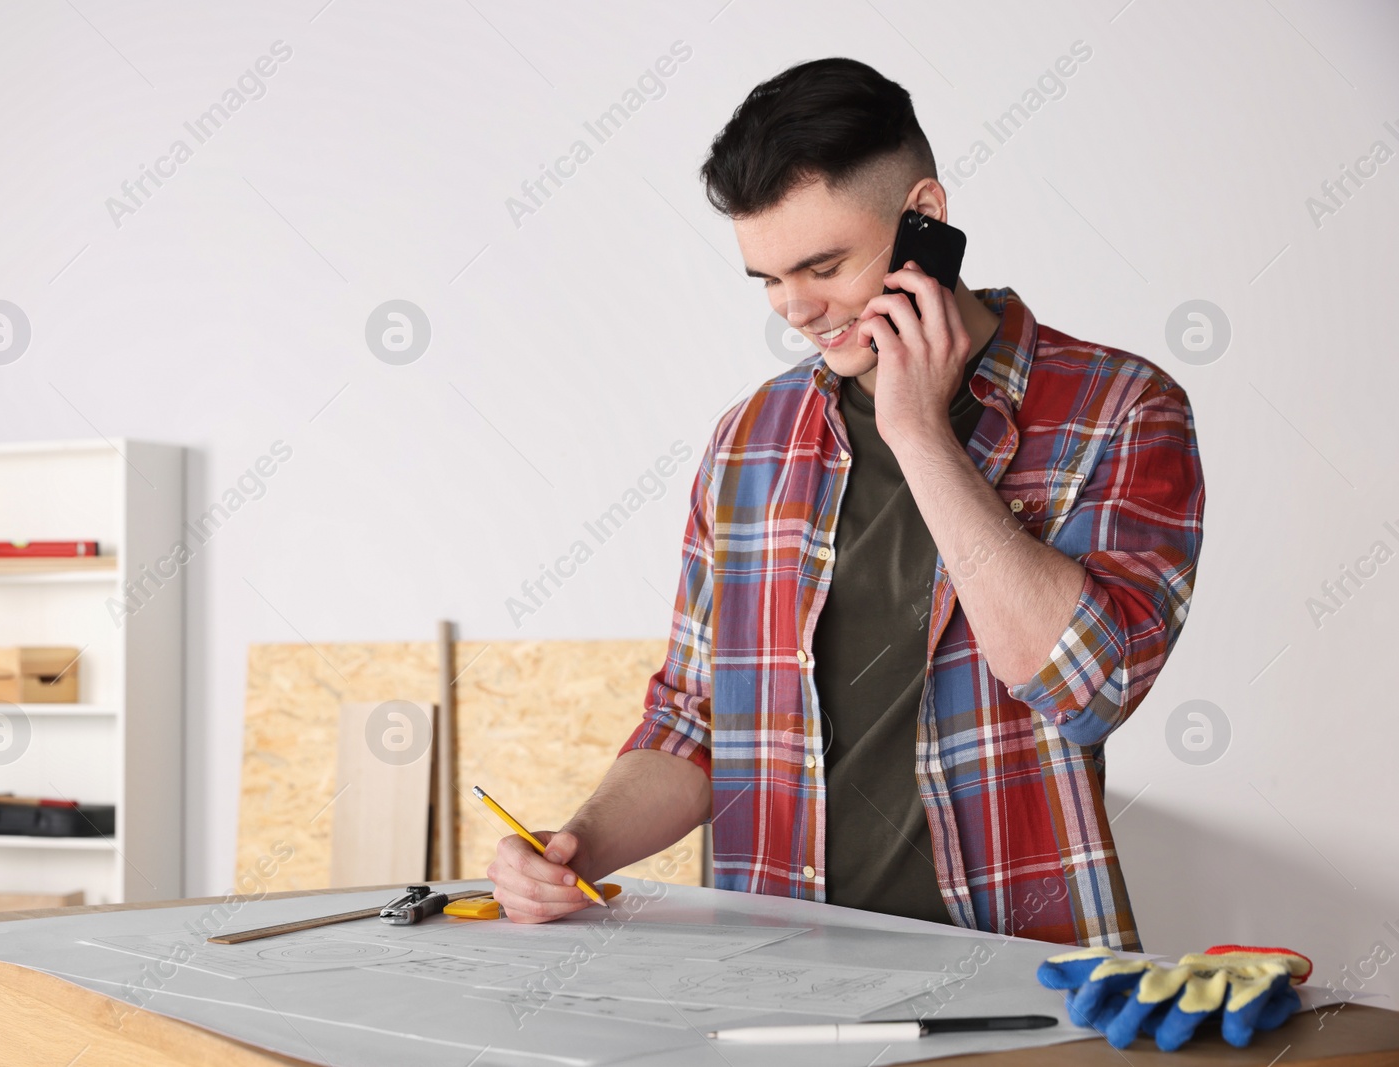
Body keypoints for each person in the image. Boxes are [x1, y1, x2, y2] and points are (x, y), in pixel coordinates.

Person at [485, 57, 1204, 950]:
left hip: (1024, 976)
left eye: (823, 265)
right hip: (778, 975)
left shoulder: (1121, 408)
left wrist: (921, 435)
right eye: (769, 279)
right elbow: (692, 721)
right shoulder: (751, 439)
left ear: (925, 221)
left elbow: (1090, 686)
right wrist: (576, 847)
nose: (796, 309)